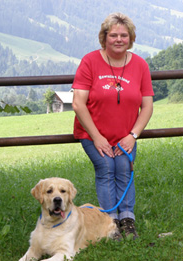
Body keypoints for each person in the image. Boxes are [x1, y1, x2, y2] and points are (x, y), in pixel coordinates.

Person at [72, 12, 154, 239]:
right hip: (93, 135)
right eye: (114, 35)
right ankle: (110, 222)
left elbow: (147, 106)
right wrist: (97, 137)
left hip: (125, 136)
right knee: (107, 168)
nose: (119, 39)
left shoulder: (140, 65)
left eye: (124, 35)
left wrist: (132, 136)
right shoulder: (90, 61)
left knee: (124, 169)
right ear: (104, 37)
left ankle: (127, 220)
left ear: (131, 38)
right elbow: (78, 104)